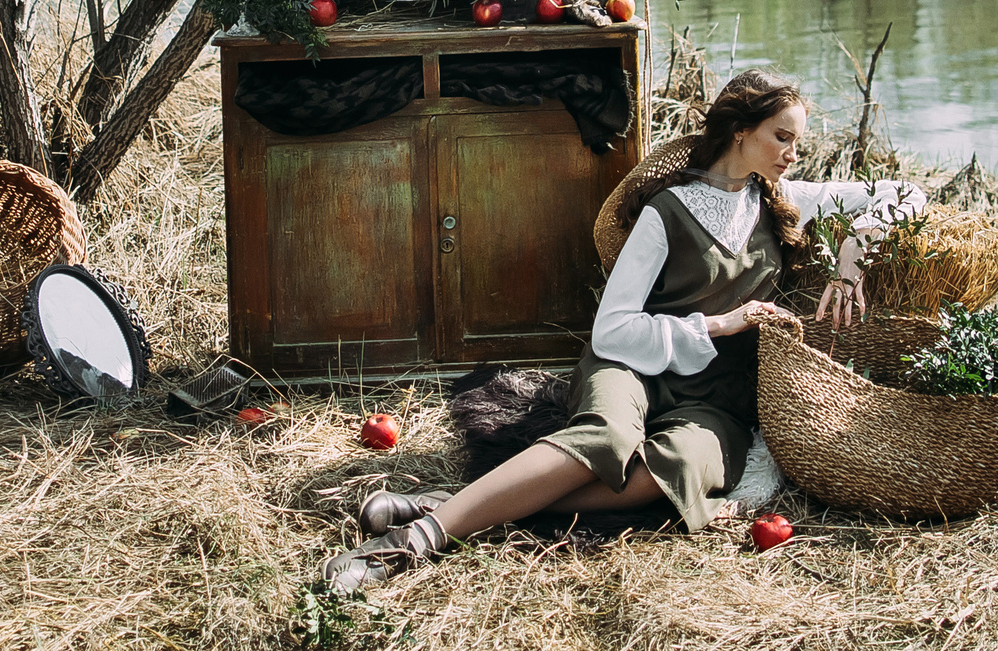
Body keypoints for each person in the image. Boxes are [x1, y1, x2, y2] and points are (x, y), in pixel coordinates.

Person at [321, 68, 926, 593]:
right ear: (741, 131)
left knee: (681, 471)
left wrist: (853, 248)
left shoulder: (784, 198)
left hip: (719, 396)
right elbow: (612, 330)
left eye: (797, 140)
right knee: (606, 440)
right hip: (632, 365)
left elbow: (907, 193)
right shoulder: (666, 212)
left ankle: (450, 508)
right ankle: (408, 543)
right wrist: (719, 323)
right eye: (782, 137)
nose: (793, 152)